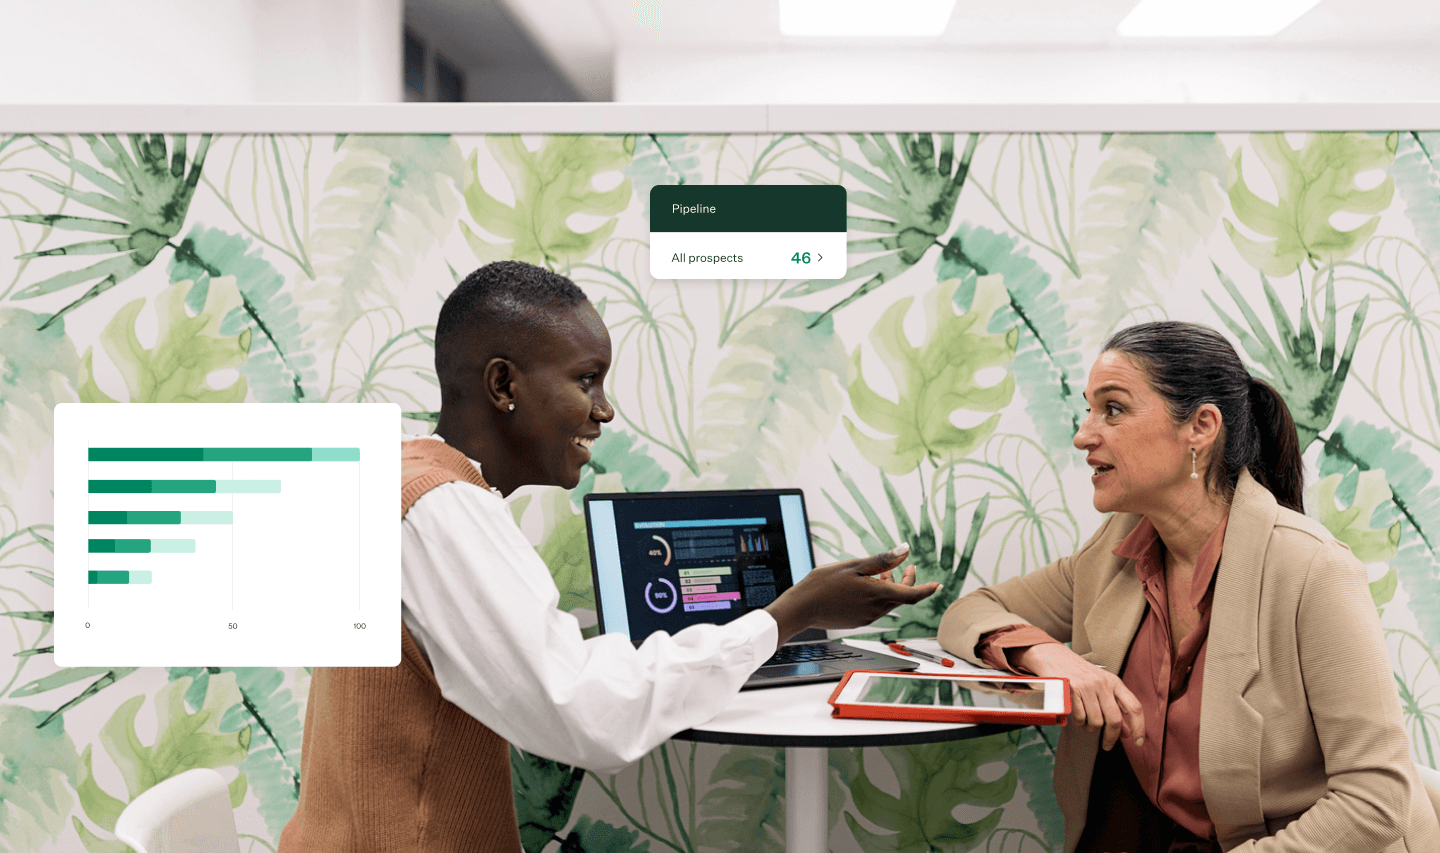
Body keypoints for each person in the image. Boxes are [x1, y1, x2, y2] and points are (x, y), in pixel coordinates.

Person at [278, 260, 939, 853]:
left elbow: (540, 677)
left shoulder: (402, 476)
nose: (605, 410)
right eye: (586, 379)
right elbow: (582, 714)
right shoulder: (442, 509)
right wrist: (787, 615)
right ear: (502, 384)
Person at [937, 322, 1440, 853]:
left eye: (1112, 409)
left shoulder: (1313, 570)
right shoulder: (1117, 547)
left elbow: (1377, 798)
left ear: (1200, 427)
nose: (1084, 434)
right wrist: (1048, 656)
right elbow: (971, 612)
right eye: (1088, 409)